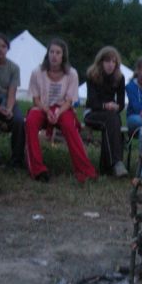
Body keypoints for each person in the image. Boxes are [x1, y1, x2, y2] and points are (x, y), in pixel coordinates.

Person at [25, 38, 97, 183]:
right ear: (47, 54)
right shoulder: (37, 72)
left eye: (58, 52)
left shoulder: (71, 74)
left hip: (63, 108)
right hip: (42, 107)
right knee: (31, 121)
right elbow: (36, 99)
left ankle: (84, 171)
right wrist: (47, 111)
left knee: (69, 126)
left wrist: (57, 112)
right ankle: (38, 170)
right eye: (51, 52)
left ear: (63, 55)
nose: (54, 55)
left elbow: (69, 101)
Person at [84, 46, 128, 177]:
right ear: (101, 61)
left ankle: (106, 168)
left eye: (114, 62)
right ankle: (116, 163)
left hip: (109, 115)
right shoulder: (92, 75)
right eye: (108, 61)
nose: (111, 64)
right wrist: (105, 105)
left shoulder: (120, 78)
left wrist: (116, 107)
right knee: (112, 119)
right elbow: (91, 101)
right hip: (91, 112)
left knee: (113, 119)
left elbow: (120, 104)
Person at [0, 32, 25, 167]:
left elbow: (12, 92)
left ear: (7, 49)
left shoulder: (14, 68)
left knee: (19, 120)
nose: (0, 49)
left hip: (7, 100)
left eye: (3, 46)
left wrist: (8, 109)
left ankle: (17, 161)